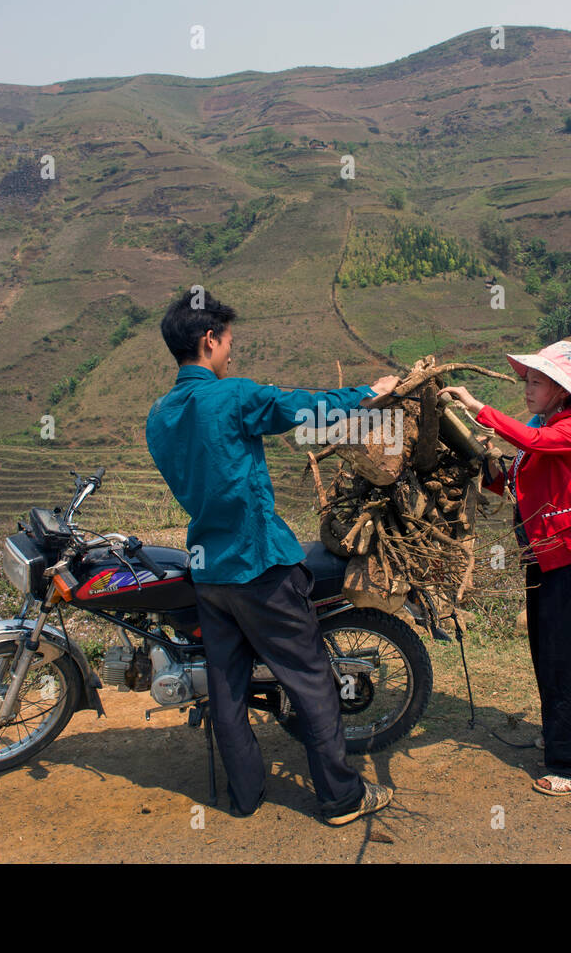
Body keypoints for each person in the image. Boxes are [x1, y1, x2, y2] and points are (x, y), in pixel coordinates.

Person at [145, 288, 399, 825]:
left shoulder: (159, 416)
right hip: (259, 565)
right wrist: (368, 394)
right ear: (209, 339)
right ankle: (341, 797)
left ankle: (245, 796)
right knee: (310, 681)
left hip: (208, 572)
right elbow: (303, 409)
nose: (231, 353)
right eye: (228, 342)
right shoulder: (232, 396)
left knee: (227, 688)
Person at [440, 339, 571, 796]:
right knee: (550, 655)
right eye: (528, 379)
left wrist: (475, 406)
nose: (528, 388)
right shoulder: (543, 422)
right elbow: (511, 481)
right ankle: (561, 736)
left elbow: (533, 442)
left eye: (537, 381)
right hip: (543, 558)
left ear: (562, 389)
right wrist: (478, 460)